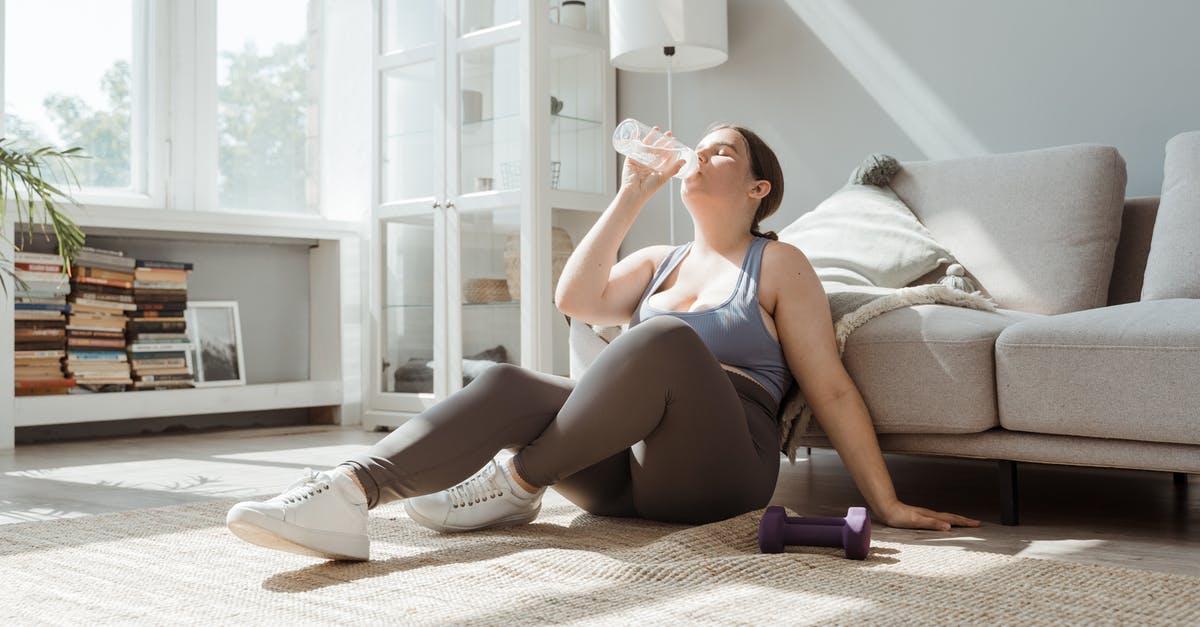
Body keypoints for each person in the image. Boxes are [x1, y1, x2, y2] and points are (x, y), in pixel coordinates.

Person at [226, 123, 981, 561]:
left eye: (723, 152)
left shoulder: (778, 262)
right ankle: (348, 493)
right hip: (621, 479)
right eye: (704, 145)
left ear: (758, 190)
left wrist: (886, 500)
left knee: (665, 342)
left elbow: (832, 386)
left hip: (721, 467)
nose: (702, 155)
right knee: (507, 384)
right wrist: (630, 193)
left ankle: (513, 481)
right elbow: (574, 300)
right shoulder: (658, 260)